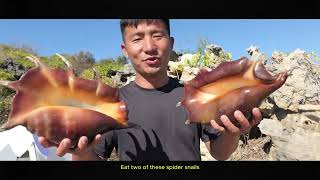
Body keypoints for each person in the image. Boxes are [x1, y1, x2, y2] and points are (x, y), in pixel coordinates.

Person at [38, 19, 262, 161]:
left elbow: (219, 153)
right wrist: (81, 153)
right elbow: (96, 158)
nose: (149, 47)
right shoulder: (112, 103)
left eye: (157, 35)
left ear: (171, 43)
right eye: (137, 38)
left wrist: (233, 135)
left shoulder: (196, 96)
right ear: (125, 50)